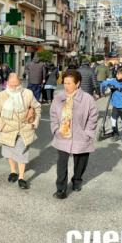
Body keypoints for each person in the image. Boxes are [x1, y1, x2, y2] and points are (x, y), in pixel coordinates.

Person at [50, 70, 98, 199]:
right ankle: (61, 189)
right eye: (64, 83)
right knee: (61, 163)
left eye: (69, 83)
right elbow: (53, 114)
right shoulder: (59, 97)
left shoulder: (87, 99)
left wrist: (88, 133)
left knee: (81, 161)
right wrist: (55, 129)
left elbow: (93, 117)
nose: (66, 86)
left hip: (81, 135)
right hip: (62, 135)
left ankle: (77, 180)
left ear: (78, 84)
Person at [0, 73, 41, 189]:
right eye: (11, 85)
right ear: (7, 84)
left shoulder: (28, 93)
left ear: (20, 83)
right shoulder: (1, 95)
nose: (14, 87)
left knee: (22, 153)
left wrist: (34, 123)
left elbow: (37, 107)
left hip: (24, 129)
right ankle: (13, 171)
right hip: (7, 129)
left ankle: (21, 177)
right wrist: (1, 126)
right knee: (9, 152)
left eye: (16, 85)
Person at [100, 67, 122, 143]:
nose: (117, 75)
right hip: (115, 104)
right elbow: (103, 83)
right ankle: (116, 134)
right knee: (113, 120)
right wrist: (103, 92)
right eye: (117, 73)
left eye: (119, 74)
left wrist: (121, 89)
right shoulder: (113, 80)